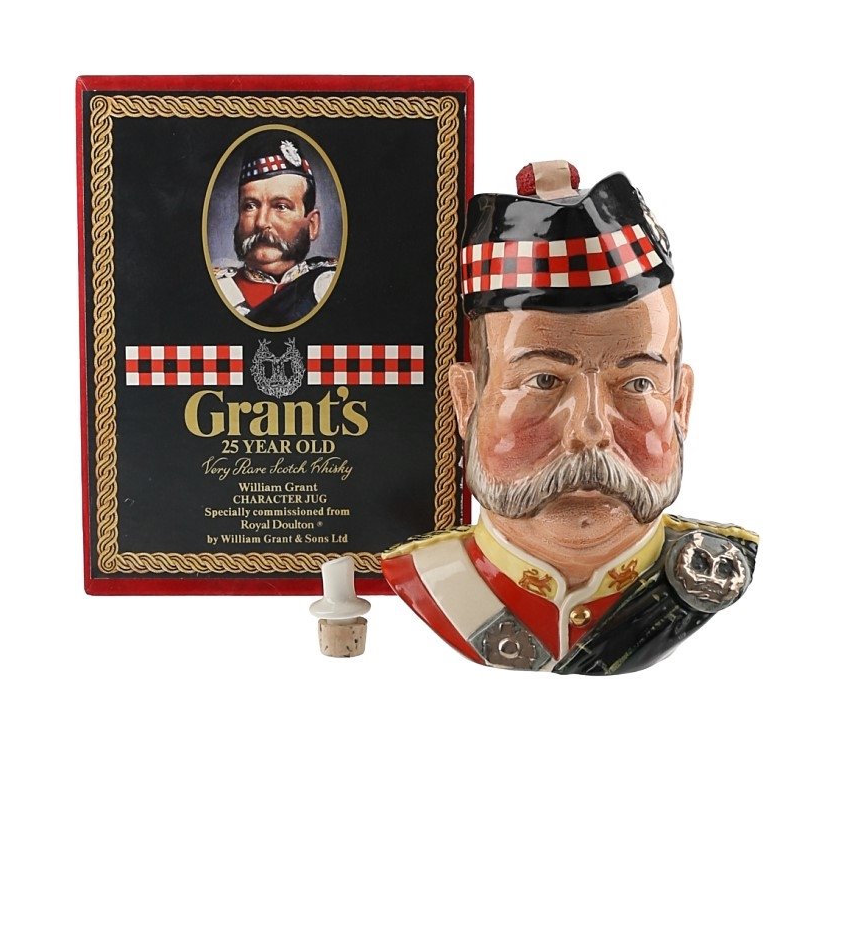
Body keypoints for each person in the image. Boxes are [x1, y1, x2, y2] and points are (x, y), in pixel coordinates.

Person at [382, 160, 758, 674]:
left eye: (637, 384)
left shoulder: (712, 569)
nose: (591, 432)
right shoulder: (427, 578)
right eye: (543, 380)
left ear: (680, 405)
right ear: (466, 401)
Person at [214, 130, 338, 326]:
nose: (261, 222)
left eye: (281, 206)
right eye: (250, 206)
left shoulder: (328, 284)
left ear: (312, 225)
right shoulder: (220, 289)